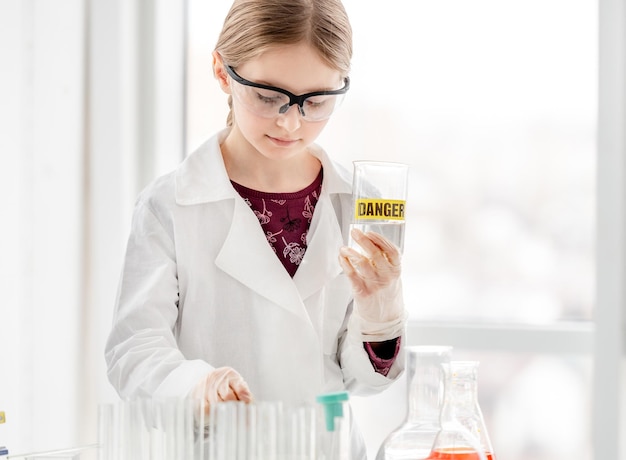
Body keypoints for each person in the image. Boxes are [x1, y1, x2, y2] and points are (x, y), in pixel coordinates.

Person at [105, 0, 407, 456]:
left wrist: (382, 311)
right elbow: (134, 349)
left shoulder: (357, 204)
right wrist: (196, 387)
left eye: (317, 101)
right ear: (222, 72)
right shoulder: (170, 205)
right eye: (268, 97)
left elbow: (362, 378)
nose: (291, 122)